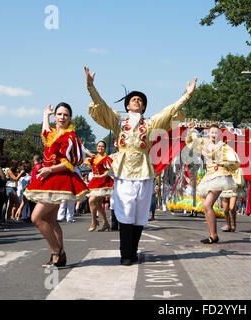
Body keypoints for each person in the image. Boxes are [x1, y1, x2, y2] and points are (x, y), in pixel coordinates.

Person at [85, 66, 197, 265]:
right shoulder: (119, 123)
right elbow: (101, 106)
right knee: (126, 210)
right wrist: (91, 87)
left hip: (145, 171)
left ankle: (133, 251)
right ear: (127, 106)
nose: (137, 101)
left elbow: (169, 111)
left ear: (144, 107)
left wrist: (186, 96)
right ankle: (125, 254)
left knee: (139, 213)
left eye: (140, 100)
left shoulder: (152, 124)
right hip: (124, 170)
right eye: (133, 99)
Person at [24, 103, 88, 267]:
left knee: (36, 217)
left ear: (70, 118)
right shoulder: (53, 133)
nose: (62, 117)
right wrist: (45, 115)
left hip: (58, 180)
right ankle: (62, 255)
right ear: (55, 117)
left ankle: (55, 253)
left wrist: (49, 169)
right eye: (59, 114)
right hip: (49, 178)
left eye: (65, 115)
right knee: (52, 220)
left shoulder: (70, 137)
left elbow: (70, 163)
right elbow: (45, 131)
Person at [186, 123, 244, 243]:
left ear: (220, 134)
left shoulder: (224, 147)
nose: (213, 134)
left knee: (207, 205)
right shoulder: (204, 144)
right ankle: (212, 234)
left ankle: (214, 236)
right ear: (208, 133)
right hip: (208, 177)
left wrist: (224, 163)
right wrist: (191, 130)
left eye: (216, 132)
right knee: (205, 207)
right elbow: (191, 141)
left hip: (220, 175)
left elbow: (235, 161)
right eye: (211, 132)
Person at [84, 141, 113, 231]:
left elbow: (111, 170)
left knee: (91, 200)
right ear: (97, 147)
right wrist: (86, 151)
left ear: (105, 148)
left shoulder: (107, 159)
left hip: (103, 182)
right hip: (95, 182)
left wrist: (102, 175)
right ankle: (106, 224)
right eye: (99, 146)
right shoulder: (94, 157)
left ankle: (94, 221)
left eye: (102, 146)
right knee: (98, 204)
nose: (100, 147)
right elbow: (90, 154)